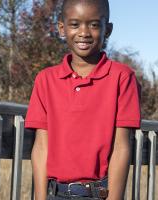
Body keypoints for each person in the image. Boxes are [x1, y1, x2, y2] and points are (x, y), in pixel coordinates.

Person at [25, 0, 141, 199]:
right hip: (54, 194)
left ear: (108, 29)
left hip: (98, 194)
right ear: (62, 28)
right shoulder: (45, 80)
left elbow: (121, 146)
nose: (84, 32)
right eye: (75, 24)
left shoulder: (122, 77)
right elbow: (41, 146)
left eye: (94, 24)